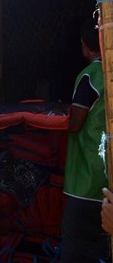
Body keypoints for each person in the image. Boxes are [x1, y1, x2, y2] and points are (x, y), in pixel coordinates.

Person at [61, 20, 109, 262]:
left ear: (84, 46)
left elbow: (76, 123)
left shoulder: (90, 76)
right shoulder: (109, 76)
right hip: (107, 181)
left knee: (75, 253)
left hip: (85, 183)